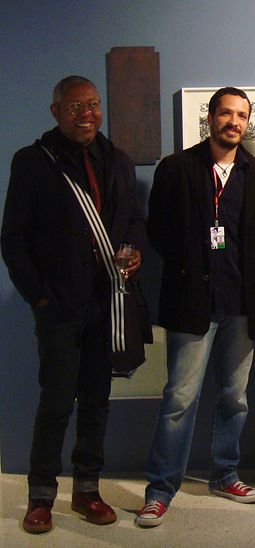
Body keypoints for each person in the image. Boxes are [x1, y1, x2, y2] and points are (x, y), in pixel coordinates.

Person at [1, 75, 146, 534]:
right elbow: (13, 238)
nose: (87, 114)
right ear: (56, 111)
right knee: (57, 402)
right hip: (60, 309)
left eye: (94, 105)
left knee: (97, 402)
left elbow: (134, 222)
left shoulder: (119, 161)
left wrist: (135, 251)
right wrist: (40, 296)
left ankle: (87, 491)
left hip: (108, 305)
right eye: (76, 106)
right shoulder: (33, 162)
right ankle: (41, 496)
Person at [136, 87, 255, 527]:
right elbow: (157, 231)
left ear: (247, 122)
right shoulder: (177, 168)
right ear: (210, 118)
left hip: (242, 305)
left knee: (235, 398)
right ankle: (160, 489)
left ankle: (224, 473)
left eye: (241, 115)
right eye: (226, 113)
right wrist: (190, 264)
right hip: (191, 303)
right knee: (179, 399)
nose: (234, 121)